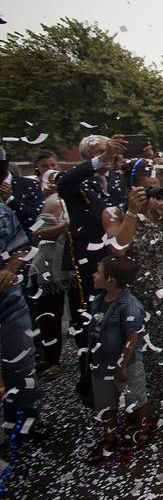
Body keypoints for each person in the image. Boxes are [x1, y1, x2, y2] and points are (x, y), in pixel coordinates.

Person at [103, 158, 163, 428]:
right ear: (130, 190)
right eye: (147, 189)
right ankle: (143, 413)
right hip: (135, 295)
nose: (153, 195)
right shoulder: (115, 213)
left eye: (157, 188)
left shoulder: (159, 213)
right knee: (140, 354)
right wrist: (133, 212)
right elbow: (118, 249)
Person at [55, 133, 127, 405]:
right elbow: (62, 184)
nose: (107, 154)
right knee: (90, 320)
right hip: (88, 264)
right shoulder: (77, 181)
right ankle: (90, 384)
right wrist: (101, 159)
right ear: (87, 156)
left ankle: (122, 377)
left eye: (109, 149)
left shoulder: (118, 179)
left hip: (116, 258)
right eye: (99, 151)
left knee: (121, 317)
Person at [86, 256, 150, 462]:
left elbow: (133, 336)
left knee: (135, 398)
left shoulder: (130, 305)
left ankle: (141, 429)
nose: (94, 275)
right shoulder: (98, 301)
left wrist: (122, 363)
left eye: (98, 272)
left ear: (111, 280)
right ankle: (109, 437)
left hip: (126, 364)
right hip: (101, 362)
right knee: (105, 401)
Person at [0, 200, 43, 440]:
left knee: (21, 361)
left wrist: (10, 268)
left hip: (9, 300)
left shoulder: (3, 212)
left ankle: (27, 420)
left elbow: (21, 246)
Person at [27, 169, 73, 380]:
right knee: (50, 313)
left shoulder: (76, 200)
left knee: (76, 312)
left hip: (70, 267)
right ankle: (52, 359)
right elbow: (36, 232)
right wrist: (64, 226)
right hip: (49, 267)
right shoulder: (55, 203)